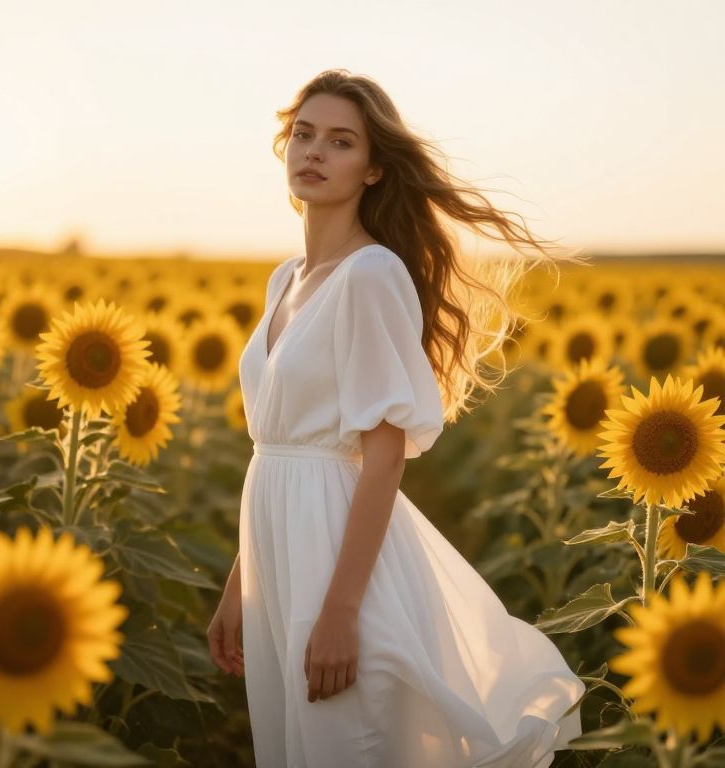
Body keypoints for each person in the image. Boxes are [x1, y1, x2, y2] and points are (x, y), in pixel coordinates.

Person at [208, 68, 587, 768]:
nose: (314, 152)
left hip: (336, 552)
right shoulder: (285, 279)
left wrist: (341, 612)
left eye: (341, 141)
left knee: (345, 742)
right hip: (275, 543)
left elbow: (379, 457)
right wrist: (243, 581)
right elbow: (284, 447)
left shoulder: (372, 275)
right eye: (304, 133)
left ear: (375, 168)